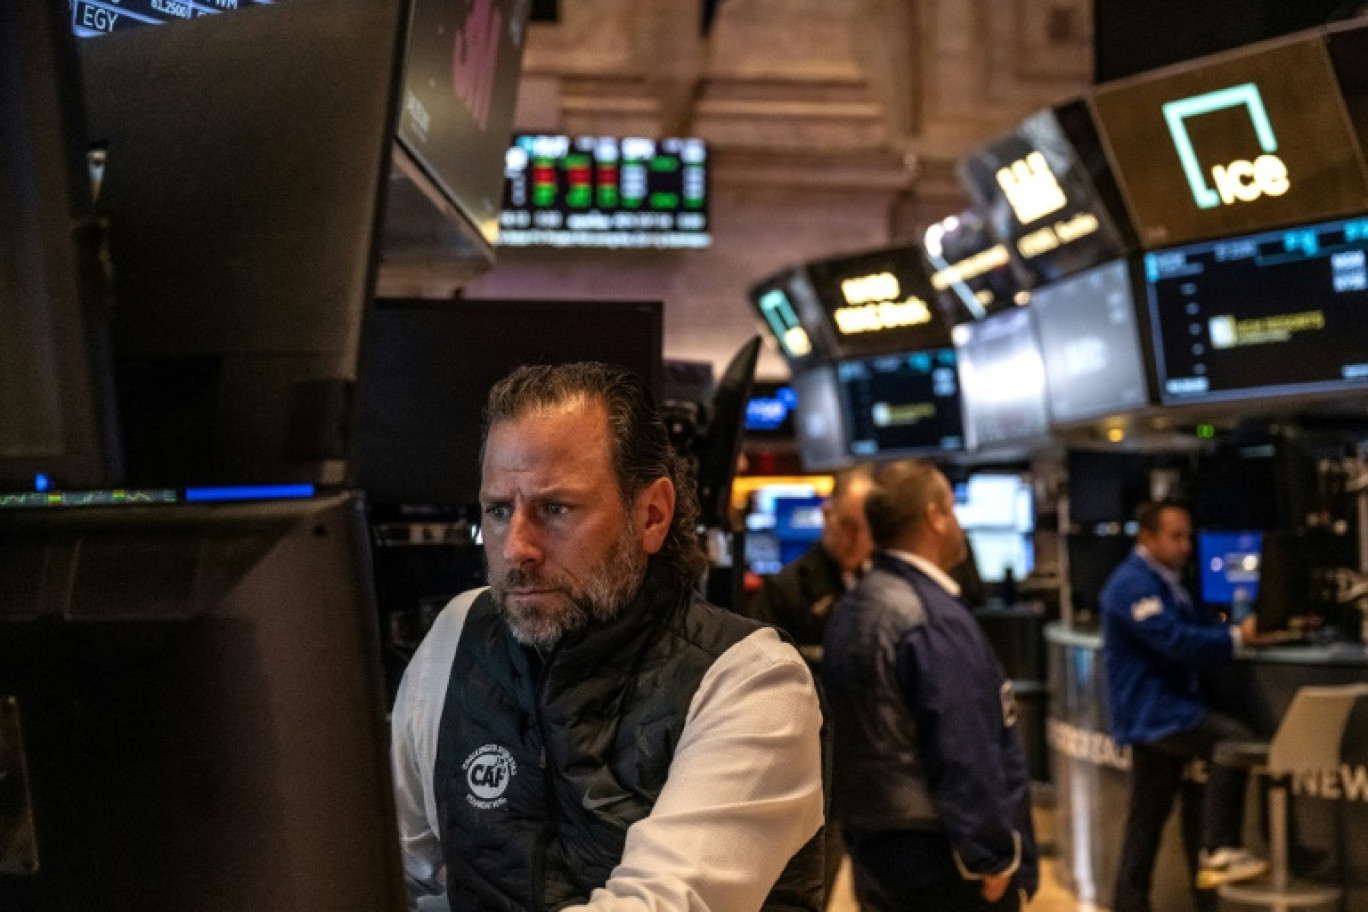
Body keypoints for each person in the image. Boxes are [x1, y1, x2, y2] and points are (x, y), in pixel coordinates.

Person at [389, 362, 826, 911]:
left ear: (651, 515)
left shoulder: (751, 681)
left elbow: (659, 905)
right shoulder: (457, 635)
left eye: (554, 509)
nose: (514, 548)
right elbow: (400, 870)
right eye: (498, 511)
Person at [822, 459, 1038, 912]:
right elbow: (963, 745)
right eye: (953, 510)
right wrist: (990, 857)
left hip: (874, 848)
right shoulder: (931, 616)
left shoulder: (855, 605)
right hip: (942, 858)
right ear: (935, 517)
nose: (958, 523)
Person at [1101, 501, 1267, 912]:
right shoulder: (1132, 584)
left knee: (1148, 822)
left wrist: (1230, 630)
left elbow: (1194, 627)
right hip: (1157, 715)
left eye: (1187, 536)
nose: (1185, 545)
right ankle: (1219, 847)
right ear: (1147, 537)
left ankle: (1144, 902)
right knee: (1233, 740)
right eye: (1175, 536)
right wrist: (1236, 639)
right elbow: (1175, 641)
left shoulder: (1167, 580)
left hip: (1166, 714)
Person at [748, 463, 875, 668]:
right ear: (827, 515)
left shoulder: (888, 582)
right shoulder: (784, 589)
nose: (856, 539)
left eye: (866, 527)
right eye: (847, 525)